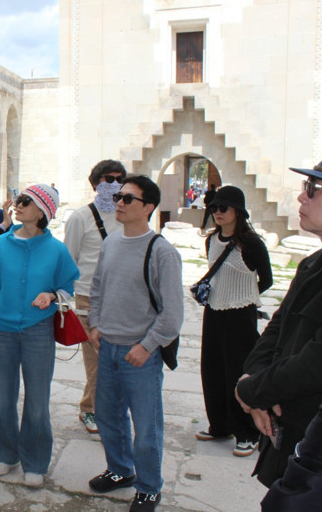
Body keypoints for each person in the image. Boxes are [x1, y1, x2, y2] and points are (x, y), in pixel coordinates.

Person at [86, 175, 183, 512]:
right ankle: (120, 470)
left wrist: (147, 346)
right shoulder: (111, 242)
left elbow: (173, 313)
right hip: (107, 347)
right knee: (107, 416)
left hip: (140, 353)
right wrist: (95, 323)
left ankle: (149, 487)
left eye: (128, 198)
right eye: (119, 197)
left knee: (146, 426)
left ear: (148, 207)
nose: (120, 203)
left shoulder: (162, 252)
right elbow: (98, 286)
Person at [0, 184, 80, 487]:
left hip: (38, 332)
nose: (17, 205)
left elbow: (68, 287)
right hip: (2, 331)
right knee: (2, 398)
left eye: (26, 201)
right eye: (19, 200)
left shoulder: (57, 250)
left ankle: (35, 461)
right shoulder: (1, 245)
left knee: (37, 400)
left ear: (42, 211)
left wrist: (51, 295)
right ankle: (5, 454)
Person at [235, 158, 322, 488]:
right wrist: (253, 381)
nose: (302, 196)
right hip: (287, 435)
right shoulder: (312, 264)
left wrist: (249, 390)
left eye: (313, 188)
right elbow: (276, 330)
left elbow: (316, 363)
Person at [194, 186, 272, 458]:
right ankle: (219, 426)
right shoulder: (211, 240)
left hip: (240, 314)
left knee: (237, 373)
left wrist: (245, 295)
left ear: (238, 212)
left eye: (223, 208)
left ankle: (247, 433)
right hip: (214, 311)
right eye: (214, 207)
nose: (218, 212)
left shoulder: (252, 244)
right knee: (212, 369)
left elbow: (267, 279)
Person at [63, 159, 126, 434]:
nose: (114, 184)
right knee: (97, 359)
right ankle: (91, 410)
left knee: (116, 358)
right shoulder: (81, 217)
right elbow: (69, 258)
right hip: (89, 296)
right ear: (96, 182)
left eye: (120, 179)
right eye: (108, 179)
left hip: (120, 295)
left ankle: (96, 405)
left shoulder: (126, 215)